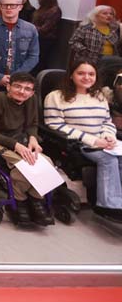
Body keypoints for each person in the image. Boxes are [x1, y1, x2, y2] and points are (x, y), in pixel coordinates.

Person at [43, 60, 121, 221]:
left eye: (91, 74)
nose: (87, 77)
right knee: (109, 159)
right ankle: (108, 205)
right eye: (81, 73)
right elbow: (54, 124)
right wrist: (92, 140)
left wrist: (109, 136)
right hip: (78, 144)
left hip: (104, 142)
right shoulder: (56, 97)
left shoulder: (99, 96)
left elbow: (107, 121)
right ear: (71, 75)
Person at [0, 72, 54, 225]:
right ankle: (19, 200)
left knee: (47, 163)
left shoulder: (30, 101)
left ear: (32, 93)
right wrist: (15, 145)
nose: (22, 91)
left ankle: (36, 200)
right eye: (17, 86)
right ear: (8, 86)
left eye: (27, 89)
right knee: (25, 166)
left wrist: (33, 138)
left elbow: (32, 124)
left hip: (19, 139)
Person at [32, 0, 62, 72]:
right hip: (36, 37)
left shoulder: (55, 10)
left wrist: (31, 27)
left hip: (45, 39)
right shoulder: (42, 9)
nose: (38, 0)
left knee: (40, 60)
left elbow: (46, 28)